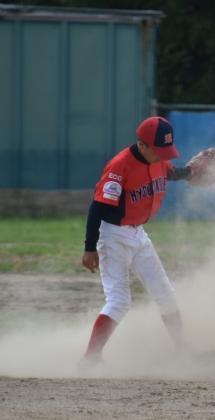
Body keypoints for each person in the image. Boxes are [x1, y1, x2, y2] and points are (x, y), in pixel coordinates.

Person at [79, 116, 200, 369]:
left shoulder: (158, 160)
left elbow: (172, 173)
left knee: (165, 293)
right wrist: (90, 247)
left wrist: (192, 172)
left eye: (165, 151)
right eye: (158, 151)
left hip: (138, 234)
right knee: (119, 301)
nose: (162, 157)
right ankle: (90, 359)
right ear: (142, 145)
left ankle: (184, 351)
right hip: (113, 236)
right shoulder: (119, 166)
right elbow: (97, 207)